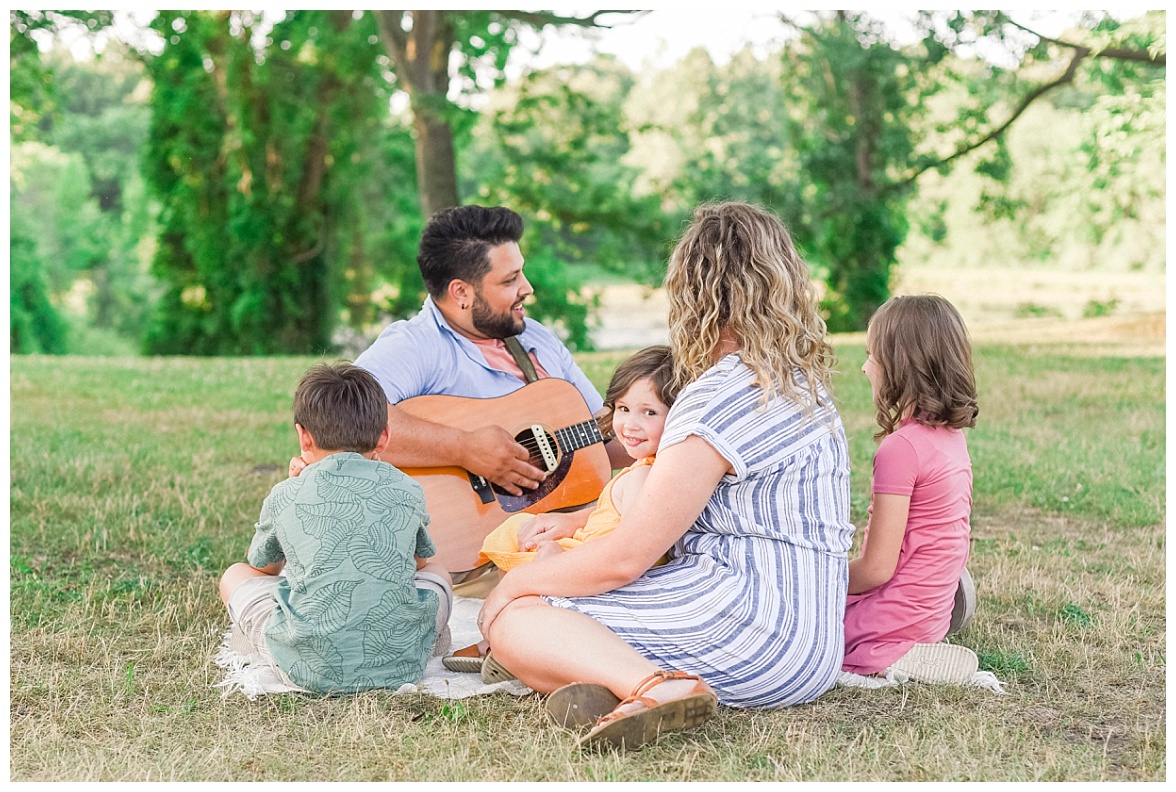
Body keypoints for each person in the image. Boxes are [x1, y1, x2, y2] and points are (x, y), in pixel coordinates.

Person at [477, 202, 855, 751]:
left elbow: (628, 557)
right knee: (550, 614)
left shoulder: (716, 398)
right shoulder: (798, 382)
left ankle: (656, 687)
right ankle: (611, 685)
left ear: (694, 289)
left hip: (753, 630)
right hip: (812, 643)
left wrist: (513, 584)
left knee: (516, 620)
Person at [350, 205, 630, 578]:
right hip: (472, 556)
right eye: (510, 279)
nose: (527, 288)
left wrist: (664, 420)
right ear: (461, 292)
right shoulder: (416, 345)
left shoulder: (535, 339)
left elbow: (608, 439)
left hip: (561, 534)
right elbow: (348, 418)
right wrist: (465, 448)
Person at [218, 362, 453, 694]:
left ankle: (271, 645)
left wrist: (297, 488)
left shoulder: (287, 494)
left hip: (305, 669)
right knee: (440, 573)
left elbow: (263, 568)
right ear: (385, 436)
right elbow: (418, 565)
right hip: (403, 664)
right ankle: (428, 639)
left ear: (304, 436)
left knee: (234, 575)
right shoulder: (406, 488)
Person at [443, 345, 679, 675]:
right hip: (592, 541)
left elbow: (630, 546)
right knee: (520, 531)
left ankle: (503, 643)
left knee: (530, 560)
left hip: (598, 559)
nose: (629, 425)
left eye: (649, 413)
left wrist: (560, 553)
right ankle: (505, 641)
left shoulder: (644, 476)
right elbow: (613, 508)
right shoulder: (643, 467)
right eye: (623, 409)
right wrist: (570, 521)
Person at [841, 295, 980, 683]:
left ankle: (889, 654)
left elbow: (877, 569)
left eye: (872, 355)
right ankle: (919, 637)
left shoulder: (900, 449)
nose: (865, 367)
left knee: (810, 630)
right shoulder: (951, 439)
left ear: (900, 366)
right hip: (932, 610)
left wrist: (822, 582)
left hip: (896, 617)